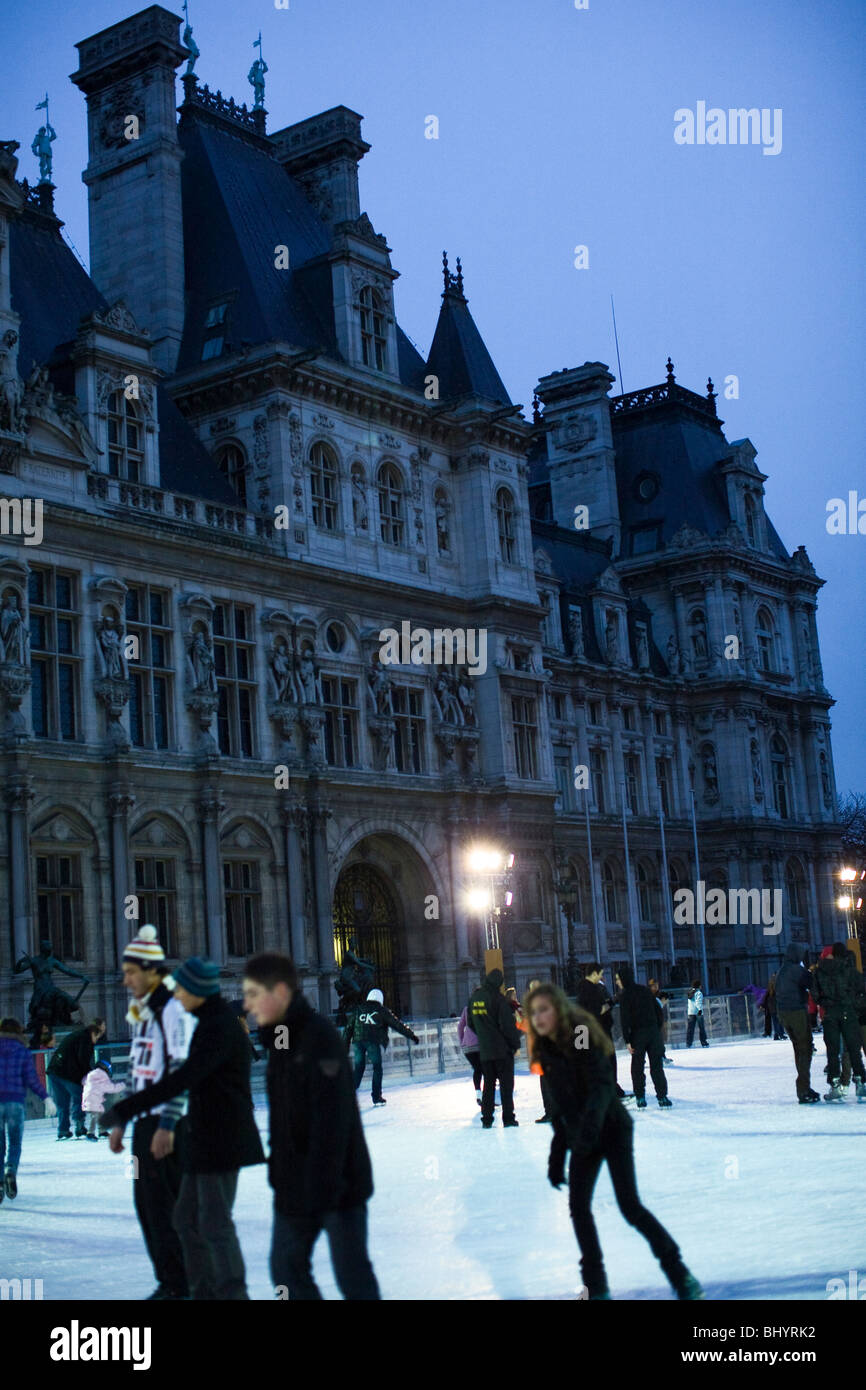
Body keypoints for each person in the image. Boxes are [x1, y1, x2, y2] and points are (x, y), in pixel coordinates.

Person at [525, 983, 703, 1301]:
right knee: (579, 1209)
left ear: (558, 1009)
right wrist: (556, 1158)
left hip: (612, 1128)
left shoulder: (578, 1030)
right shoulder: (547, 1050)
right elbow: (564, 1106)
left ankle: (681, 1276)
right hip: (584, 1133)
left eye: (544, 1009)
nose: (538, 1017)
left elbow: (599, 1084)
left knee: (630, 1207)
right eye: (533, 1012)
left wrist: (589, 1130)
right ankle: (597, 1287)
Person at [106, 957, 265, 1300]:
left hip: (223, 1138)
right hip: (204, 1136)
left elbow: (183, 1077)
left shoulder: (218, 1026)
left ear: (196, 989)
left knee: (213, 1222)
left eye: (181, 988)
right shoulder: (205, 1021)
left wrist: (127, 1109)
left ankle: (231, 1295)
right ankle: (202, 1291)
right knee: (186, 1218)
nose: (176, 994)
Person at [243, 952, 380, 1301]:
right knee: (286, 1270)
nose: (248, 1003)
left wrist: (321, 1185)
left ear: (281, 992)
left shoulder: (319, 1037)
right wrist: (281, 1171)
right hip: (295, 1181)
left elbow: (333, 1122)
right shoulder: (279, 1039)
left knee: (352, 1275)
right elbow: (282, 1116)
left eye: (254, 993)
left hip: (339, 1182)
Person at [106, 927, 195, 1299]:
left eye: (130, 972)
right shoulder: (141, 1013)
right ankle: (170, 1281)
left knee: (165, 1208)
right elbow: (137, 1070)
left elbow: (181, 1069)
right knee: (147, 1207)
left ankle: (181, 1285)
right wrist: (121, 1119)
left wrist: (168, 1124)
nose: (125, 980)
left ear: (150, 971)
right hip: (145, 1124)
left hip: (167, 1124)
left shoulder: (173, 1010)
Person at [0, 1017, 48, 1201]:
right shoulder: (22, 1050)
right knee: (14, 1143)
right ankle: (10, 1169)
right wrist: (46, 1097)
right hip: (14, 1102)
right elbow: (31, 1078)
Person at [467, 968, 522, 1128]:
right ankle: (508, 1118)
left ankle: (487, 1119)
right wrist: (515, 1044)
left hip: (485, 1050)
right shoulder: (498, 999)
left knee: (488, 1085)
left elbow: (471, 1023)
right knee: (506, 1086)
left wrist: (484, 1035)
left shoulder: (474, 998)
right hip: (502, 1050)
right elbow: (507, 1026)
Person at [346, 988, 419, 1106]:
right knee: (377, 1068)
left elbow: (348, 1028)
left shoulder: (358, 1009)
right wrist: (412, 1035)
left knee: (359, 1068)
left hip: (358, 1041)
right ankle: (376, 1096)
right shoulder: (381, 1010)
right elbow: (397, 1025)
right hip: (372, 1041)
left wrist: (344, 1046)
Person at [812, 943, 866, 1102]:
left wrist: (825, 1003)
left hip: (830, 1014)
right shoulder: (847, 968)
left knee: (833, 1051)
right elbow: (862, 988)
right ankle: (860, 1083)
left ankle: (835, 1085)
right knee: (854, 1049)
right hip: (848, 1012)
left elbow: (814, 994)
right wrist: (853, 1004)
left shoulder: (818, 971)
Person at [617, 967, 670, 1108]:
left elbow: (624, 1020)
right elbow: (658, 1011)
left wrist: (627, 1040)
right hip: (653, 1033)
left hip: (637, 1035)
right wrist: (656, 1028)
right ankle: (662, 1097)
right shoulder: (645, 990)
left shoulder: (625, 995)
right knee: (657, 1066)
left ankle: (640, 1097)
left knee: (637, 1067)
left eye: (617, 979)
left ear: (623, 979)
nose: (617, 982)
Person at [774, 943, 819, 1104]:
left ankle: (804, 1087)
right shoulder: (795, 970)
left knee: (799, 1049)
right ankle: (803, 1089)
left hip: (784, 1013)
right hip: (796, 1012)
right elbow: (811, 983)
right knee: (805, 1048)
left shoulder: (782, 970)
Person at [46, 1017, 105, 1139]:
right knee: (79, 1096)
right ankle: (79, 1125)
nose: (96, 1041)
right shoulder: (86, 1038)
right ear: (93, 1033)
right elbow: (82, 1059)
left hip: (55, 1071)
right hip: (67, 1073)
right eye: (97, 1037)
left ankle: (63, 1129)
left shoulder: (77, 1035)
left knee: (62, 1102)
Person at [577, 964, 627, 1097]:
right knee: (608, 1061)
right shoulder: (590, 989)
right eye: (600, 974)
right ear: (594, 974)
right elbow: (598, 1010)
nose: (601, 977)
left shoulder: (584, 989)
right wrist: (613, 1001)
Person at [81, 1058, 126, 1139]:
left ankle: (102, 1131)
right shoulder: (101, 1078)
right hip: (93, 1100)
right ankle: (90, 1133)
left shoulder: (91, 1076)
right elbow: (112, 1088)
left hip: (90, 1099)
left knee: (100, 1115)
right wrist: (123, 1085)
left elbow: (84, 1082)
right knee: (94, 1117)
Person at [456, 1004, 483, 1108]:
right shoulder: (483, 1008)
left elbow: (460, 1026)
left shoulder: (467, 1008)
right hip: (479, 1045)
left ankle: (479, 1094)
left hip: (467, 1047)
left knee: (477, 1069)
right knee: (486, 1070)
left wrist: (462, 1041)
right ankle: (486, 1097)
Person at [649, 979, 673, 1065]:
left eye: (657, 985)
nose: (656, 987)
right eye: (654, 985)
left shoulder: (660, 994)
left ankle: (662, 1057)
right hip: (652, 1022)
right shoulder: (649, 995)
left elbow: (663, 1010)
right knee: (654, 1042)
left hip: (660, 1021)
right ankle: (659, 1058)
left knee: (661, 1040)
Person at [760, 974, 786, 1040]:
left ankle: (777, 1035)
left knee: (775, 1021)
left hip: (771, 1007)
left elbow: (765, 998)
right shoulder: (778, 988)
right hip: (778, 1006)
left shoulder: (769, 989)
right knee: (779, 1021)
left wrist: (763, 1005)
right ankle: (780, 1034)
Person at [686, 980, 710, 1047]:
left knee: (690, 1028)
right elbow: (698, 1002)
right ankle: (703, 1042)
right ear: (699, 986)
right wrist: (700, 1010)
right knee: (701, 1028)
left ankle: (688, 1043)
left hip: (691, 1012)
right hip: (698, 1013)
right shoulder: (698, 993)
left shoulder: (690, 992)